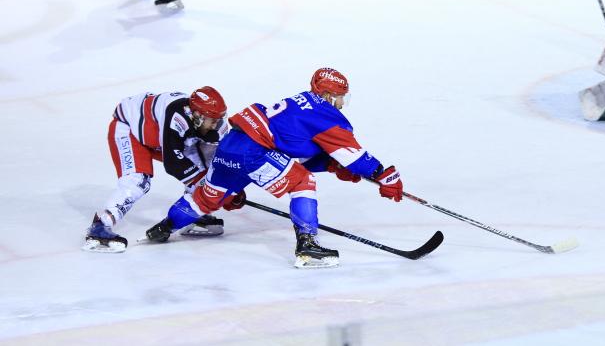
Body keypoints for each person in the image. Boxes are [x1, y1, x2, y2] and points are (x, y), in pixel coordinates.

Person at [144, 68, 405, 269]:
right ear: (327, 95)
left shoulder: (299, 102)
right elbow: (354, 156)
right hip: (254, 152)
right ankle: (308, 246)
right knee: (302, 182)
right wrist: (383, 175)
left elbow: (293, 152)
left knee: (207, 198)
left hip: (231, 145)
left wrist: (332, 165)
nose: (341, 103)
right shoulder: (325, 115)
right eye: (339, 97)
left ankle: (164, 228)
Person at [83, 86, 229, 253]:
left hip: (159, 138)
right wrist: (209, 189)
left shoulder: (214, 125)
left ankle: (192, 214)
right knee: (137, 182)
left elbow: (212, 165)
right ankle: (100, 227)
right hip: (130, 131)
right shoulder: (177, 116)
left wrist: (225, 188)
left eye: (218, 119)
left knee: (203, 172)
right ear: (197, 116)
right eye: (212, 120)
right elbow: (173, 163)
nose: (216, 124)